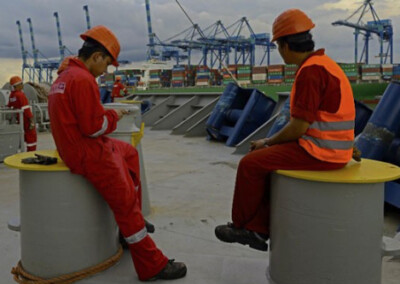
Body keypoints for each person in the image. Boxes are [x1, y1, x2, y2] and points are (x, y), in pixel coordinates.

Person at [48, 25, 186, 281]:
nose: (107, 71)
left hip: (75, 147)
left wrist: (102, 116)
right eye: (108, 64)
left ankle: (130, 224)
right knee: (125, 206)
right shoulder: (83, 79)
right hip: (88, 153)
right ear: (97, 56)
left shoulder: (63, 78)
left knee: (129, 152)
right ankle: (151, 264)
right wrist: (112, 116)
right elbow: (93, 128)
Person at [215, 9, 356, 251]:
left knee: (250, 164)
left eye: (278, 46)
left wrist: (267, 142)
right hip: (333, 148)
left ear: (285, 45)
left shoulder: (310, 73)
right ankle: (259, 230)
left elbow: (298, 127)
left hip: (321, 152)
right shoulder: (326, 64)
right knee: (269, 167)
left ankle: (241, 227)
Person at [8, 76, 37, 151]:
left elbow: (9, 106)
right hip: (25, 119)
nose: (22, 85)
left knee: (20, 136)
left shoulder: (12, 95)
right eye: (21, 83)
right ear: (16, 86)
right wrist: (31, 120)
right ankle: (31, 152)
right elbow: (26, 109)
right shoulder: (20, 95)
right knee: (31, 137)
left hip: (18, 120)